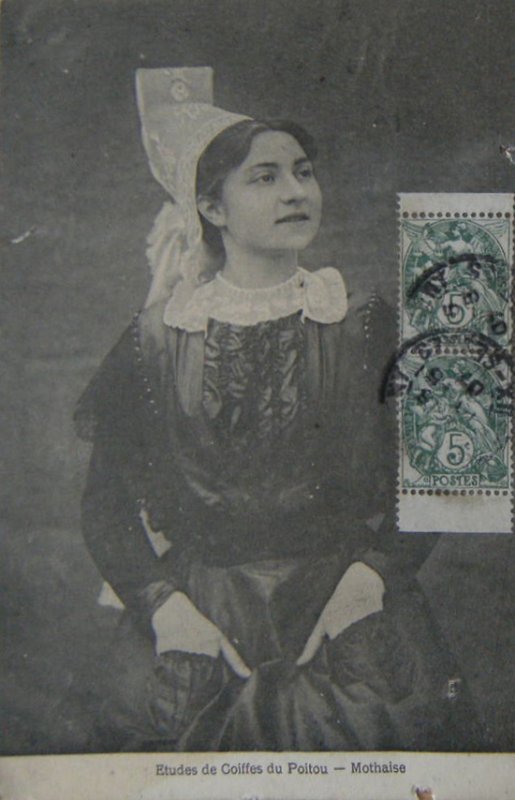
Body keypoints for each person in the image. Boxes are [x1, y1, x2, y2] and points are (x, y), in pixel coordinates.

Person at [74, 68, 480, 752]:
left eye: (303, 172)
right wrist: (167, 612)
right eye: (264, 178)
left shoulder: (361, 321)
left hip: (344, 613)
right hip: (203, 620)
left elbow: (434, 477)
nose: (296, 191)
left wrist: (370, 580)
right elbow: (105, 505)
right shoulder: (156, 339)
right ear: (212, 207)